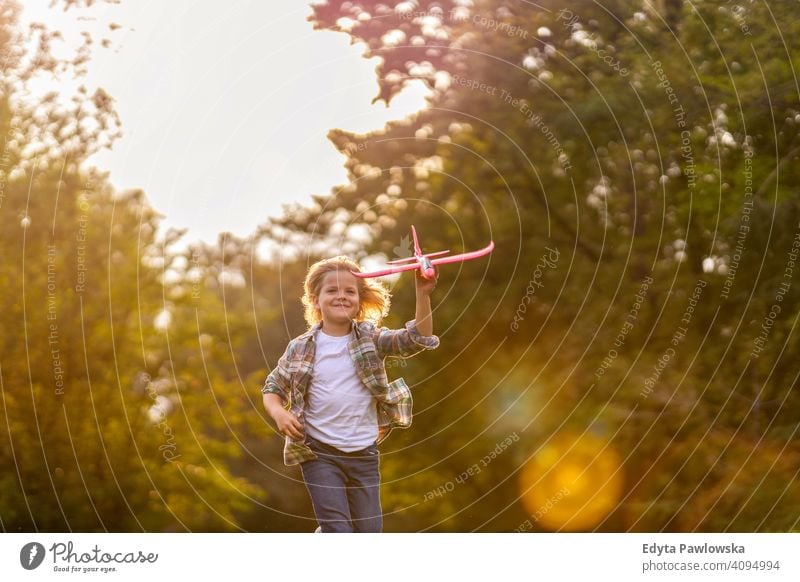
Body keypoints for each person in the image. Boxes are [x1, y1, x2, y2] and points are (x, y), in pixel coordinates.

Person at [261, 255, 439, 532]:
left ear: (359, 299)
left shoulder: (370, 338)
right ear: (315, 299)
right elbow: (272, 387)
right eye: (332, 290)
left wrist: (423, 293)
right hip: (319, 453)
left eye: (349, 291)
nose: (341, 296)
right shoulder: (301, 347)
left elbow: (416, 338)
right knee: (339, 529)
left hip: (364, 454)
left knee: (368, 533)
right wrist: (278, 413)